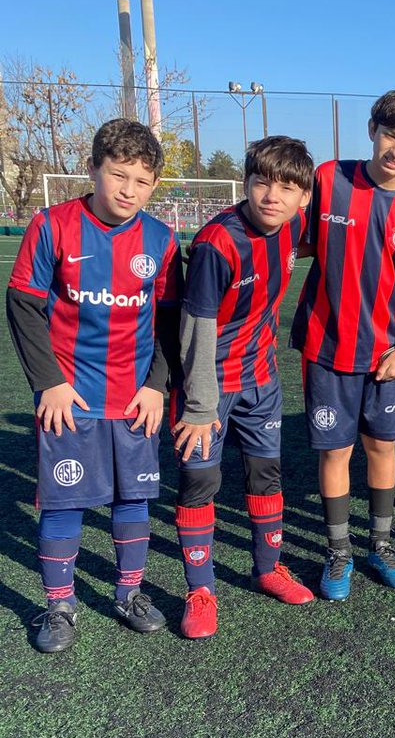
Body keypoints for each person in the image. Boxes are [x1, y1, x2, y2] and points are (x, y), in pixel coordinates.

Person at [6, 118, 181, 652]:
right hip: (71, 397)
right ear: (93, 169)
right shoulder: (53, 224)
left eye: (142, 180)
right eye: (118, 174)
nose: (129, 190)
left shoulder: (161, 238)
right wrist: (50, 383)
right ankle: (59, 604)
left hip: (134, 399)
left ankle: (129, 592)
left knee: (134, 499)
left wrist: (156, 385)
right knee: (63, 501)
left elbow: (171, 321)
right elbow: (23, 305)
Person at [290, 90, 395, 600]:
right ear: (373, 129)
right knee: (336, 451)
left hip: (383, 353)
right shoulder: (330, 179)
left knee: (382, 447)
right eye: (391, 134)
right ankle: (338, 551)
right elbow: (297, 239)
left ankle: (381, 543)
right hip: (327, 345)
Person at [170, 136, 315, 639]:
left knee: (266, 475)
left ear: (303, 198)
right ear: (248, 184)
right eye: (262, 182)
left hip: (262, 380)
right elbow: (197, 327)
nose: (273, 196)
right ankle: (201, 589)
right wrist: (199, 404)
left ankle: (267, 568)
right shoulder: (218, 243)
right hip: (208, 388)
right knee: (200, 484)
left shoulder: (294, 225)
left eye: (287, 187)